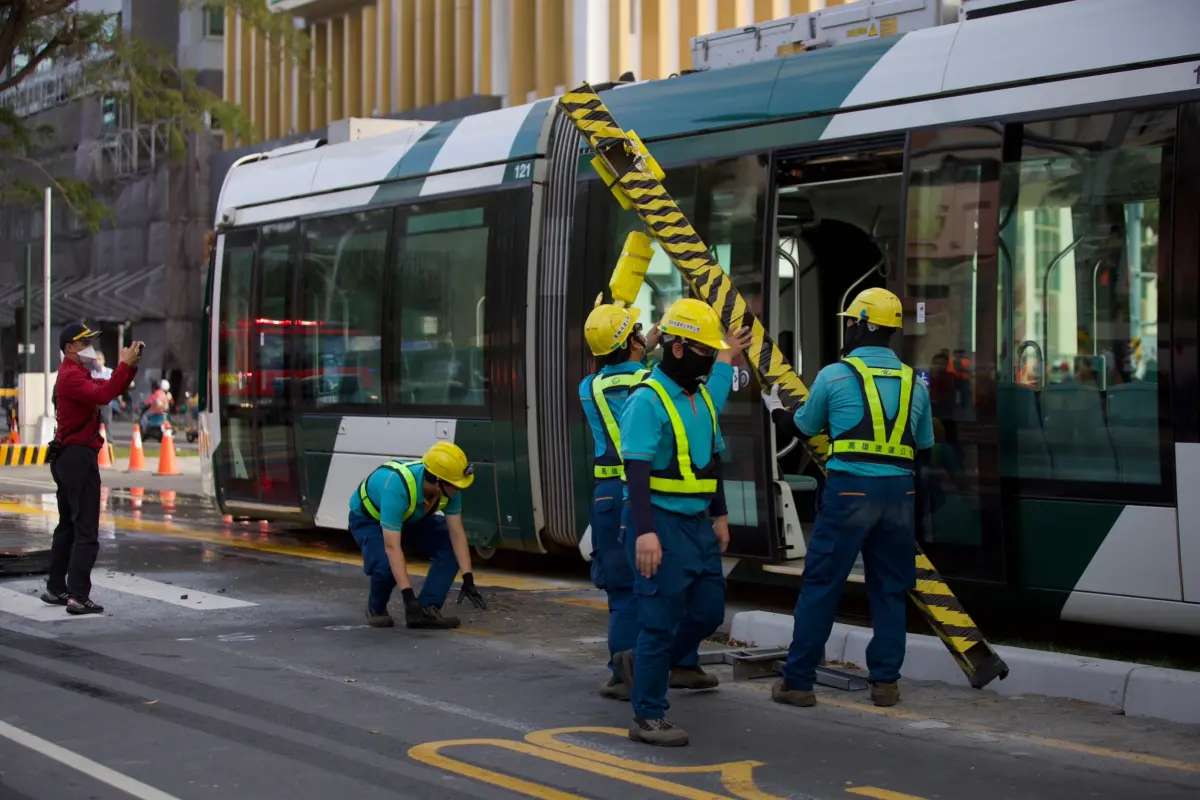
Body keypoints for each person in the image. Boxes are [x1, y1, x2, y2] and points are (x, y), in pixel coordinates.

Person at [763, 287, 933, 709]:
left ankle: (798, 682)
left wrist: (774, 408)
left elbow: (803, 427)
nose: (848, 329)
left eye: (851, 322)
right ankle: (885, 684)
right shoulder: (915, 381)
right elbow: (924, 444)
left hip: (851, 489)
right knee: (890, 590)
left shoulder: (835, 376)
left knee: (822, 584)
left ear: (863, 325)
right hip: (900, 492)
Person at [610, 298, 747, 747]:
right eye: (705, 351)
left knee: (708, 610)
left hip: (697, 523)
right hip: (658, 523)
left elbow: (713, 461)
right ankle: (648, 715)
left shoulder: (701, 395)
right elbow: (636, 470)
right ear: (679, 349)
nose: (710, 359)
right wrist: (645, 531)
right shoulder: (646, 401)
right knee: (659, 619)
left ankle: (642, 660)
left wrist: (721, 515)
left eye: (713, 353)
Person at [40, 323, 142, 614]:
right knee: (85, 531)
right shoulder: (71, 377)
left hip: (68, 457)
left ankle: (55, 589)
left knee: (68, 528)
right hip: (76, 458)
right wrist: (123, 365)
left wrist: (129, 368)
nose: (89, 347)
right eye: (83, 342)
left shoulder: (77, 375)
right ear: (69, 348)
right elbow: (103, 395)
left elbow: (109, 389)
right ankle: (77, 596)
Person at [348, 441, 487, 629]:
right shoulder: (397, 487)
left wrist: (468, 578)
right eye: (457, 485)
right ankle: (376, 608)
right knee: (386, 563)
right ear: (438, 483)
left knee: (448, 544)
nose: (460, 489)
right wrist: (408, 599)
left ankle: (427, 609)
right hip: (370, 521)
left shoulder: (449, 489)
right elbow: (392, 547)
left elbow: (457, 532)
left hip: (409, 518)